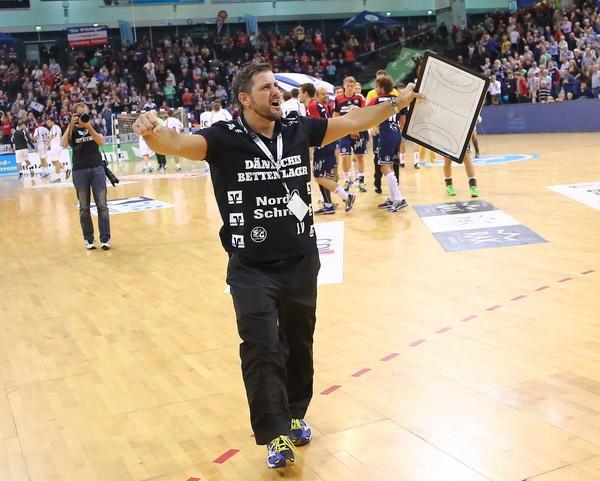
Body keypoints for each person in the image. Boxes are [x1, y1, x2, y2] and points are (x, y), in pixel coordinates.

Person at [132, 63, 422, 470]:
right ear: (245, 99)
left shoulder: (297, 128)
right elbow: (176, 144)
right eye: (266, 88)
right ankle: (274, 434)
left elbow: (354, 118)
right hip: (251, 266)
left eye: (277, 87)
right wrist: (152, 132)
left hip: (301, 260)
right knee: (262, 347)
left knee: (299, 344)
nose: (277, 93)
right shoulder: (222, 139)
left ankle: (296, 413)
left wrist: (395, 102)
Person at [61, 103, 111, 250]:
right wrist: (70, 125)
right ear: (75, 115)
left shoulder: (94, 124)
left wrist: (88, 126)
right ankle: (88, 239)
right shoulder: (72, 129)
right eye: (80, 113)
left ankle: (105, 239)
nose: (83, 116)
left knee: (102, 205)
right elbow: (63, 144)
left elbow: (101, 141)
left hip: (97, 168)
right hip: (79, 171)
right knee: (83, 207)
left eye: (85, 112)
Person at [304, 84, 356, 214]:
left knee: (319, 177)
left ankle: (347, 196)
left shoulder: (313, 106)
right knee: (324, 177)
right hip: (329, 144)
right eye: (324, 94)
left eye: (326, 93)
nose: (327, 96)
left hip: (323, 145)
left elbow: (315, 127)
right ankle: (328, 205)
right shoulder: (324, 107)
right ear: (316, 95)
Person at [368, 76, 408, 212]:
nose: (375, 89)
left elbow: (366, 114)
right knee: (387, 165)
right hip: (396, 134)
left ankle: (399, 198)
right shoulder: (397, 99)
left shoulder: (376, 100)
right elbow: (402, 119)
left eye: (376, 86)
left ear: (382, 88)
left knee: (384, 166)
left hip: (385, 135)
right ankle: (392, 197)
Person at [334, 76, 367, 193]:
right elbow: (336, 114)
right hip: (344, 132)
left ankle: (361, 181)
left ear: (354, 86)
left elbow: (364, 114)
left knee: (359, 156)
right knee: (345, 156)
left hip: (358, 131)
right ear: (344, 86)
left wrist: (356, 129)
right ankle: (348, 180)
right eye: (347, 86)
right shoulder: (338, 99)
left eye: (352, 86)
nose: (349, 88)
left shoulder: (359, 97)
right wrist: (336, 128)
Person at [46, 117, 69, 183]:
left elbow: (52, 136)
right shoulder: (54, 128)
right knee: (54, 162)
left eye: (49, 122)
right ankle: (66, 170)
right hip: (55, 146)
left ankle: (58, 178)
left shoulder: (55, 127)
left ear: (52, 121)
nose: (48, 124)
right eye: (47, 123)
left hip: (55, 147)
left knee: (56, 162)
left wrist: (46, 144)